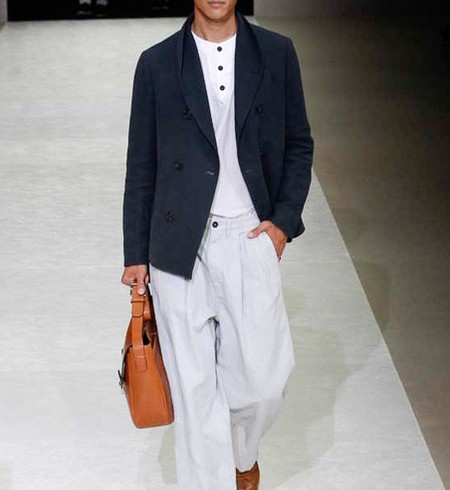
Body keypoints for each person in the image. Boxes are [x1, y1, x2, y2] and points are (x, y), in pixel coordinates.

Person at [121, 1, 314, 488]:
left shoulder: (276, 53)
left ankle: (243, 457)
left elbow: (299, 143)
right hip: (177, 243)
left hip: (248, 233)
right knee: (194, 392)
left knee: (264, 382)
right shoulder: (156, 64)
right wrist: (135, 253)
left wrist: (282, 224)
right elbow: (142, 161)